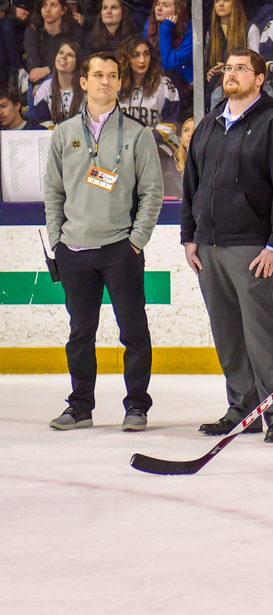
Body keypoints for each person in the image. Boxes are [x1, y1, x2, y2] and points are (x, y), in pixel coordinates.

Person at [181, 47, 273, 442]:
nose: (232, 74)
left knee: (261, 331)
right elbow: (191, 186)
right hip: (208, 247)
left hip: (254, 248)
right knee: (228, 332)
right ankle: (243, 407)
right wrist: (189, 236)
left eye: (241, 69)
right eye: (228, 68)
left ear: (258, 79)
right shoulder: (208, 124)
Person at [42, 50, 163, 432]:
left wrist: (136, 240)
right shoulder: (63, 134)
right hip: (74, 249)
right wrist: (57, 239)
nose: (105, 81)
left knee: (134, 332)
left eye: (112, 75)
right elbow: (53, 191)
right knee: (80, 333)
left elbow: (152, 192)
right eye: (97, 75)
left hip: (120, 250)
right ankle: (80, 407)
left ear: (119, 83)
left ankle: (137, 406)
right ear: (84, 82)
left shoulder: (139, 134)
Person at [117, 34, 181, 196]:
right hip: (124, 146)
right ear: (126, 59)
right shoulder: (116, 87)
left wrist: (143, 141)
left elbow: (170, 124)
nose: (142, 60)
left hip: (160, 145)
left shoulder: (164, 85)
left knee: (145, 162)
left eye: (146, 54)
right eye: (136, 55)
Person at [204, 0, 260, 102]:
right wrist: (210, 71)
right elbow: (208, 61)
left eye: (226, 0)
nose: (220, 4)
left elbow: (255, 65)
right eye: (217, 1)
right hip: (217, 81)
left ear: (234, 4)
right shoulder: (211, 31)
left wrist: (226, 68)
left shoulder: (250, 29)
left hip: (243, 80)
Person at [23, 0, 82, 88]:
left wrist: (48, 69)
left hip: (68, 79)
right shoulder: (32, 31)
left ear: (63, 10)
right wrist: (37, 86)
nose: (47, 10)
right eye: (44, 5)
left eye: (53, 5)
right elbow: (34, 68)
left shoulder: (75, 31)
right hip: (40, 80)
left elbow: (77, 62)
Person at [29, 39, 84, 127]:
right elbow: (43, 123)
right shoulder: (45, 89)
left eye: (70, 55)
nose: (63, 57)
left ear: (78, 63)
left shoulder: (87, 90)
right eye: (61, 52)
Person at [144, 0, 193, 86]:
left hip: (182, 82)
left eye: (165, 5)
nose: (159, 8)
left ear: (178, 10)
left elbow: (169, 65)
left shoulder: (189, 30)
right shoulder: (149, 26)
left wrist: (165, 29)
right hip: (155, 80)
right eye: (157, 4)